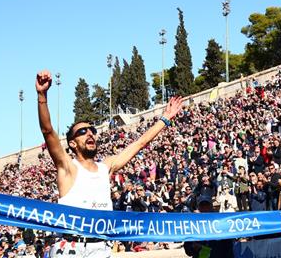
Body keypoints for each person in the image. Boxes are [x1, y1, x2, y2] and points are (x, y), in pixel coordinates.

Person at [36, 70, 183, 257]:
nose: (90, 133)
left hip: (100, 247)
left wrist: (165, 118)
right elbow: (48, 131)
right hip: (71, 247)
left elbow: (140, 143)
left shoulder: (106, 167)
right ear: (72, 143)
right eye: (82, 132)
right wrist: (42, 95)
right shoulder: (68, 167)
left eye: (91, 130)